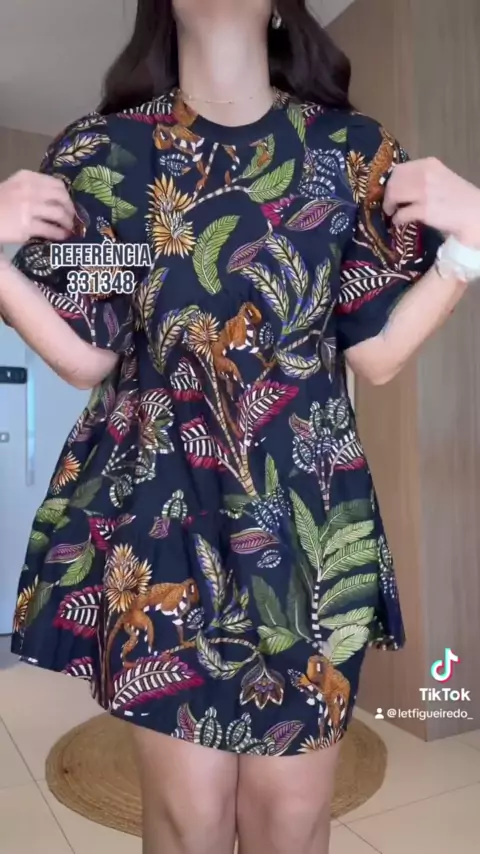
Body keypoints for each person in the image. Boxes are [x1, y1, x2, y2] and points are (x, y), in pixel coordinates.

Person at [1, 1, 480, 852]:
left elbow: (376, 352)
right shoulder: (108, 155)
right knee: (188, 824)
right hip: (161, 524)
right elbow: (85, 354)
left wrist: (468, 246)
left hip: (308, 530)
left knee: (291, 823)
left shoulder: (349, 154)